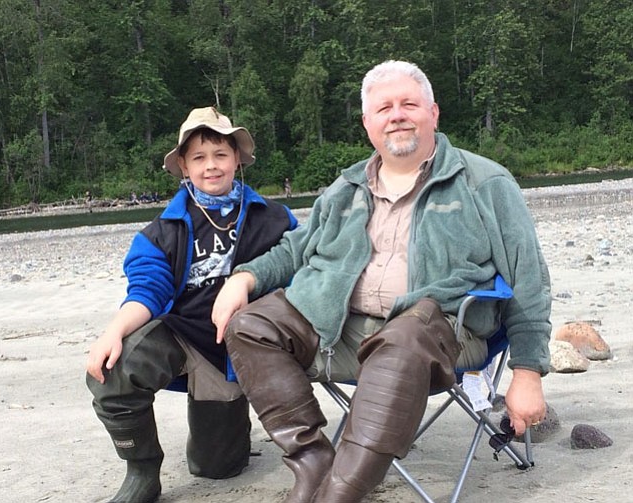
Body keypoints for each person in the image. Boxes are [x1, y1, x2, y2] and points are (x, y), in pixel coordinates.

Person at [212, 60, 551, 503]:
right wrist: (244, 278)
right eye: (384, 107)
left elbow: (529, 279)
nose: (397, 115)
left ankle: (341, 493)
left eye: (409, 103)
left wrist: (528, 372)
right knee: (249, 325)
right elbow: (296, 250)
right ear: (368, 123)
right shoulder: (345, 187)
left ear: (433, 113)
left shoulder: (484, 182)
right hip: (340, 329)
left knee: (406, 334)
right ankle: (314, 462)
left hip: (440, 334)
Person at [86, 106, 298, 503]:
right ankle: (141, 472)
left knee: (215, 468)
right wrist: (113, 331)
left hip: (246, 346)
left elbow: (302, 273)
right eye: (199, 157)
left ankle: (234, 420)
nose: (211, 166)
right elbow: (146, 291)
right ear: (183, 165)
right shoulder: (160, 232)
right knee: (111, 372)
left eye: (220, 155)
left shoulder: (276, 219)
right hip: (183, 336)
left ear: (237, 157)